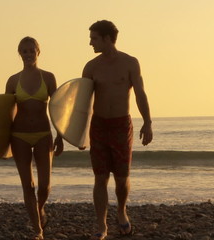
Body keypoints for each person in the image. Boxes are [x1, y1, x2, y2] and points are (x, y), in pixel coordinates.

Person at [82, 20, 153, 240]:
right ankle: (101, 225)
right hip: (99, 125)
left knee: (122, 179)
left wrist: (148, 122)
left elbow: (140, 93)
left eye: (94, 38)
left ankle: (121, 210)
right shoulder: (91, 67)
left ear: (106, 38)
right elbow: (81, 104)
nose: (90, 42)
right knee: (100, 177)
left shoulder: (130, 63)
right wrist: (79, 133)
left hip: (122, 125)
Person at [5, 36, 63, 240]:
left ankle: (39, 210)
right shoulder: (13, 81)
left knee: (45, 185)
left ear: (38, 52)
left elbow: (57, 109)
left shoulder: (48, 77)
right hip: (19, 135)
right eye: (24, 51)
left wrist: (61, 135)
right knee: (28, 185)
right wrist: (1, 142)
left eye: (32, 50)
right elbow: (6, 112)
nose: (28, 54)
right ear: (19, 53)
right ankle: (38, 230)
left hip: (43, 134)